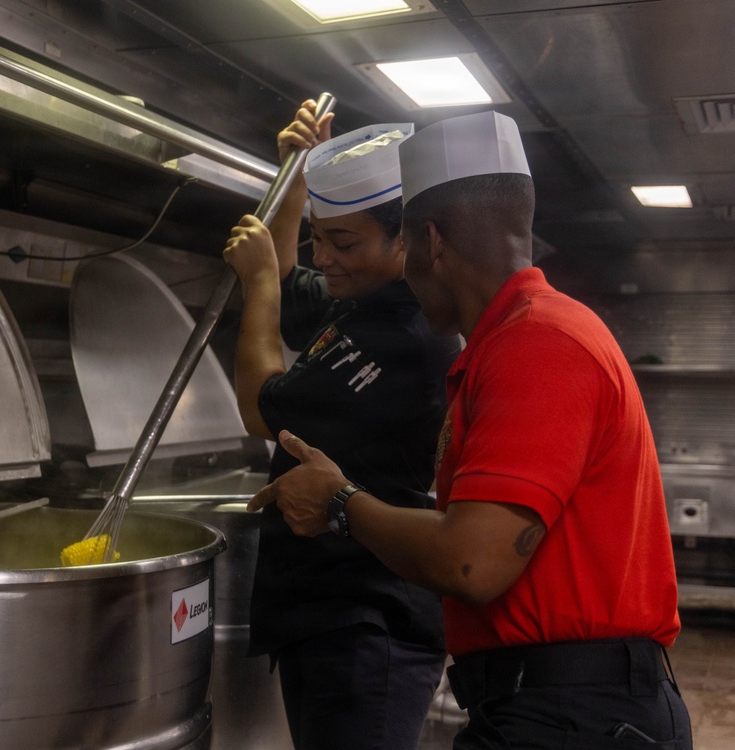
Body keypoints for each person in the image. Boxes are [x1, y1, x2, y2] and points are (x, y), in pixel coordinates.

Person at [246, 109, 693, 749]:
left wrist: (338, 501)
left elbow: (469, 561)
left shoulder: (536, 344)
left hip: (577, 717)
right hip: (552, 706)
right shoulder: (510, 341)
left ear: (429, 241)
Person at [221, 102, 461, 750]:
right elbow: (295, 282)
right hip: (327, 614)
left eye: (343, 241)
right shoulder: (363, 300)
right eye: (320, 236)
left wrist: (263, 282)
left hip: (368, 622)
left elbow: (259, 407)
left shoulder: (409, 334)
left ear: (406, 238)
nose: (322, 257)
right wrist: (297, 174)